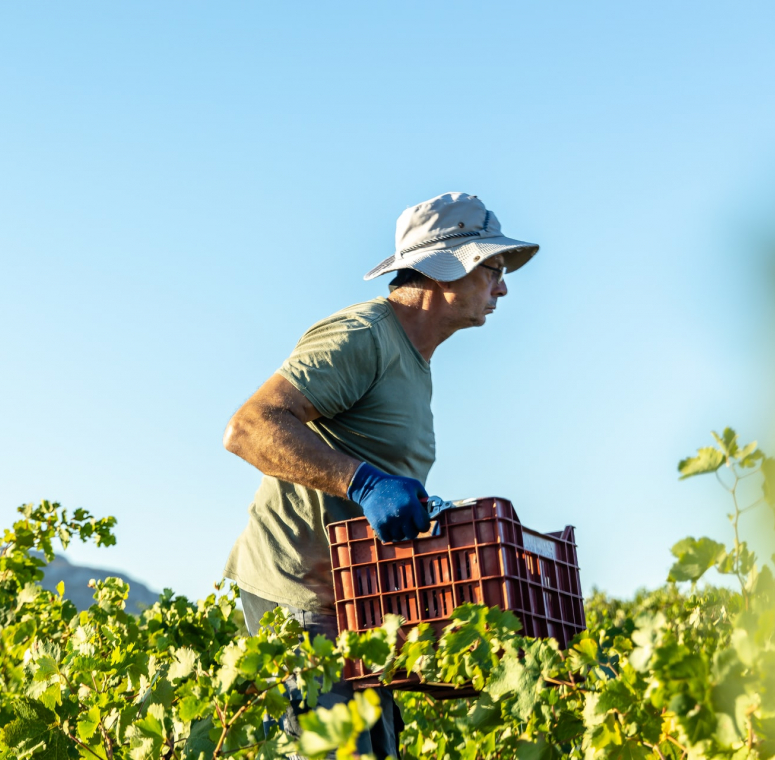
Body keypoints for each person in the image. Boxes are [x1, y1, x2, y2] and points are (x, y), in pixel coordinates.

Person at [221, 192, 539, 757]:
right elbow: (249, 426)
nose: (503, 286)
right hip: (299, 596)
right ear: (449, 266)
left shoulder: (415, 362)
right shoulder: (362, 336)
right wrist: (362, 483)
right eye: (493, 268)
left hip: (354, 602)